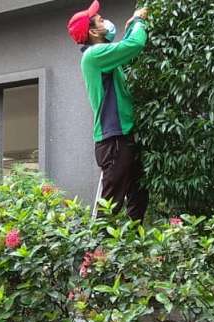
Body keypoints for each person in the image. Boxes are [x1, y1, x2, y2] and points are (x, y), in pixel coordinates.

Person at [67, 0, 149, 221]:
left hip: (122, 137)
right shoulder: (94, 55)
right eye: (100, 20)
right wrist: (139, 21)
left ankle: (134, 240)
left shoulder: (102, 54)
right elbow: (134, 45)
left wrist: (132, 26)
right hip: (113, 142)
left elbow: (124, 48)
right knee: (109, 207)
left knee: (138, 197)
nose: (106, 22)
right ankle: (97, 244)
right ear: (93, 32)